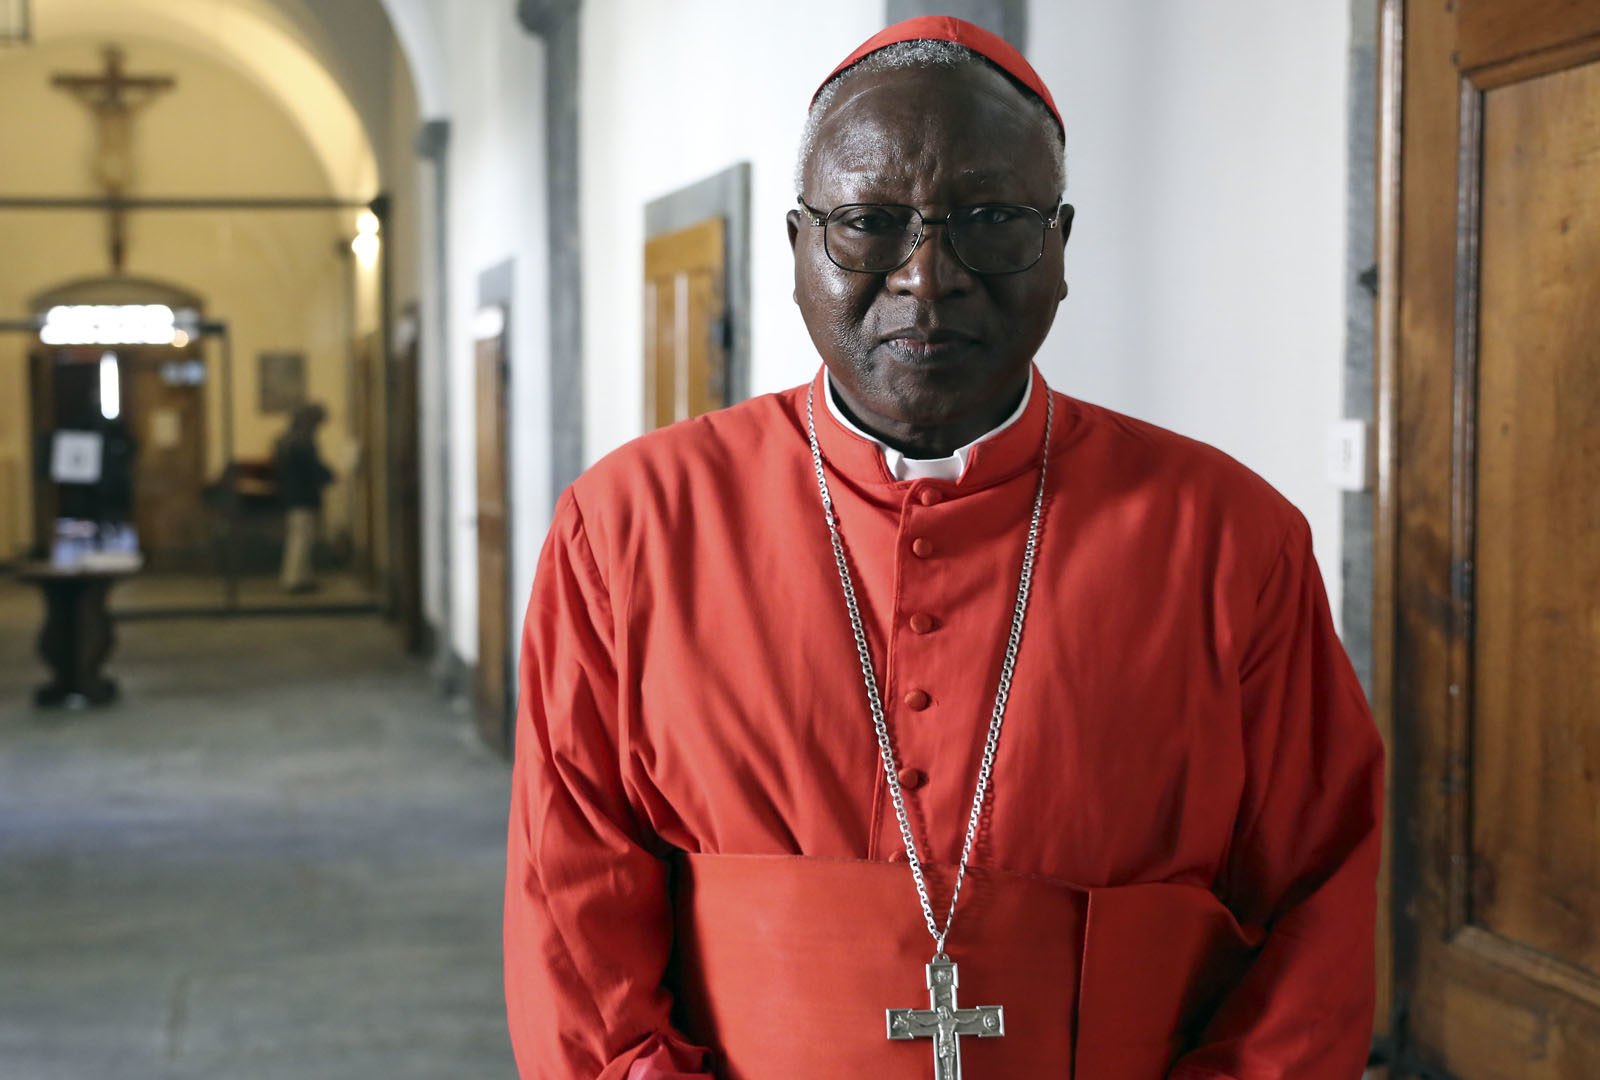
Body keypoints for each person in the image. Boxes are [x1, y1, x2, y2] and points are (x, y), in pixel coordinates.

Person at [503, 17, 1381, 1080]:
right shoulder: (629, 526)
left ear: (1060, 246)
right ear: (796, 251)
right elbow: (572, 912)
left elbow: (1322, 898)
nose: (929, 277)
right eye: (870, 223)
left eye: (993, 219)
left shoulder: (1232, 539)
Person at [274, 403, 333, 593]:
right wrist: (330, 475)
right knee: (300, 539)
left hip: (293, 495)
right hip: (303, 496)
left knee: (300, 538)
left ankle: (301, 577)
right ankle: (294, 580)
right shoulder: (302, 442)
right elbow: (311, 467)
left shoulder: (287, 439)